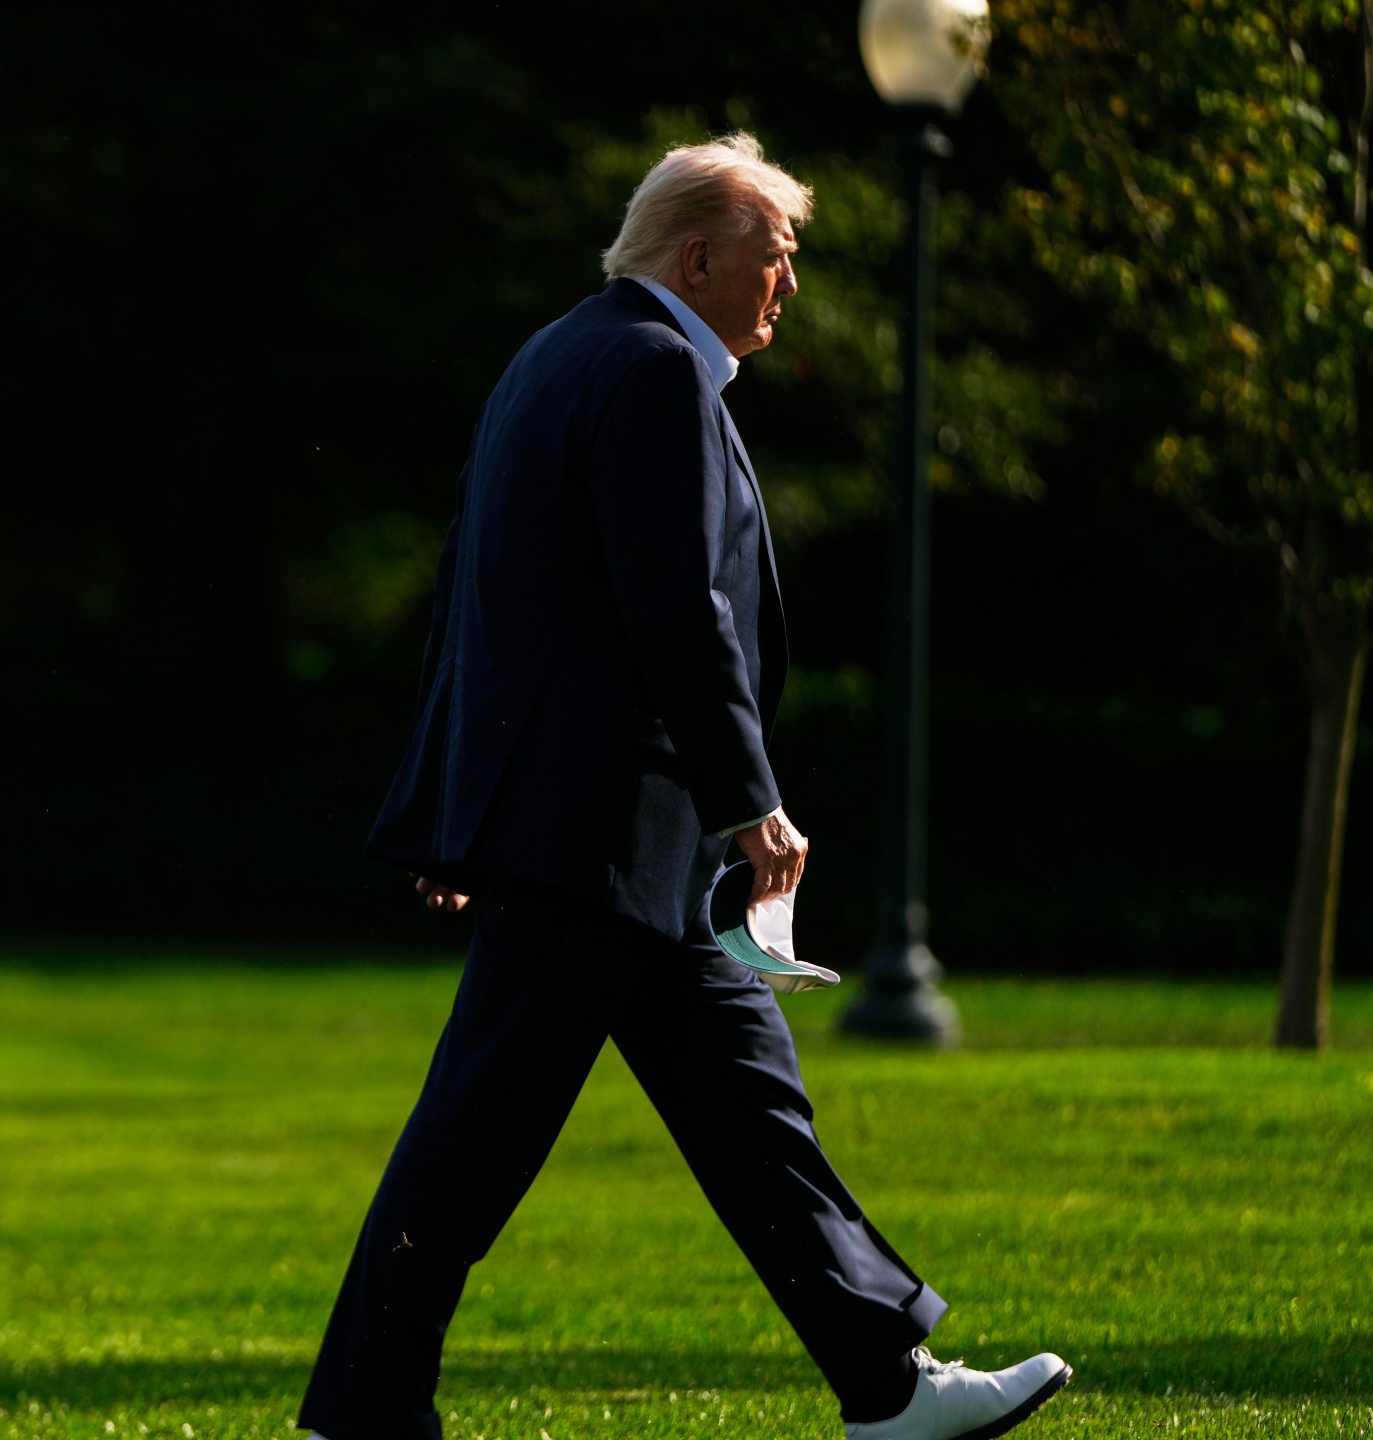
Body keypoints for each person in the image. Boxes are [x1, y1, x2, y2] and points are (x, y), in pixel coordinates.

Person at [295, 135, 1071, 1440]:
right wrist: (747, 800)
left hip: (609, 846)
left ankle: (886, 1387)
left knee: (751, 1117)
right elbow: (680, 614)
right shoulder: (654, 372)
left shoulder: (556, 355)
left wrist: (454, 801)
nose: (789, 286)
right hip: (609, 840)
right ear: (699, 259)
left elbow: (479, 602)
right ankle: (362, 1411)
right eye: (776, 258)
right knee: (477, 1137)